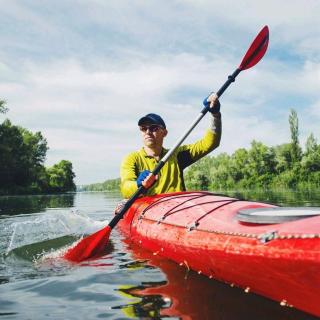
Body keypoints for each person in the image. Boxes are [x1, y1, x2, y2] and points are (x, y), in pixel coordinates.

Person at [120, 93, 222, 199]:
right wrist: (138, 184)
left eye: (153, 128)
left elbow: (210, 143)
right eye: (143, 128)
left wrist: (215, 115)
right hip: (149, 210)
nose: (148, 132)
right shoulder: (132, 159)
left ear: (165, 133)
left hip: (178, 207)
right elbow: (125, 188)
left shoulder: (176, 154)